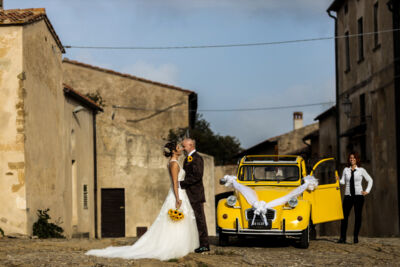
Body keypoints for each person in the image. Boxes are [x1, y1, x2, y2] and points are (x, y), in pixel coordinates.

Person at [85, 142, 199, 260]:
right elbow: (175, 182)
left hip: (179, 192)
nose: (180, 149)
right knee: (175, 220)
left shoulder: (172, 163)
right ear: (174, 151)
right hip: (178, 192)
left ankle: (179, 244)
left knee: (178, 220)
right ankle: (174, 246)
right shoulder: (174, 164)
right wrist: (177, 198)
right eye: (178, 148)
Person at [180, 138, 210, 253]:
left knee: (199, 219)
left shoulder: (197, 158)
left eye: (184, 146)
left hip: (196, 194)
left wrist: (181, 183)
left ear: (191, 145)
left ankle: (204, 245)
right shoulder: (187, 159)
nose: (183, 148)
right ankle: (194, 242)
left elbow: (197, 176)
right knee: (192, 219)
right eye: (182, 146)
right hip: (188, 193)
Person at [336, 152, 373, 244]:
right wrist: (338, 179)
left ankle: (355, 237)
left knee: (358, 217)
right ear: (349, 160)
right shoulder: (346, 170)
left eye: (353, 158)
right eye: (350, 158)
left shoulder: (361, 170)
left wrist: (367, 191)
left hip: (358, 196)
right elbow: (343, 182)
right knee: (344, 217)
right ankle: (342, 238)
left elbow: (370, 180)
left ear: (357, 159)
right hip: (348, 196)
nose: (352, 159)